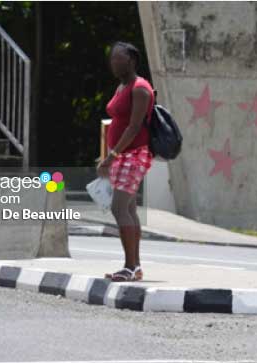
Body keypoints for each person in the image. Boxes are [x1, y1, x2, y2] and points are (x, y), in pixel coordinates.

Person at [97, 41, 155, 281]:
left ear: (131, 60)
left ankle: (130, 266)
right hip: (122, 154)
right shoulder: (122, 86)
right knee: (129, 209)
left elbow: (133, 127)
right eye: (112, 59)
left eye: (118, 59)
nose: (114, 63)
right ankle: (135, 267)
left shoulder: (140, 88)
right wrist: (108, 153)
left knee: (119, 208)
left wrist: (112, 156)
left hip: (134, 155)